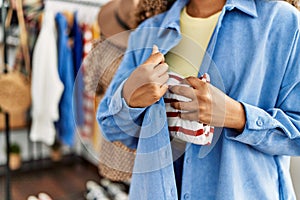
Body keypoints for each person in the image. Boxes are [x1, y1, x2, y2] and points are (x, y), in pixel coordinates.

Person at [97, 0, 300, 199]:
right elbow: (111, 127)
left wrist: (238, 116)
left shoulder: (282, 23)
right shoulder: (147, 33)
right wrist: (129, 98)